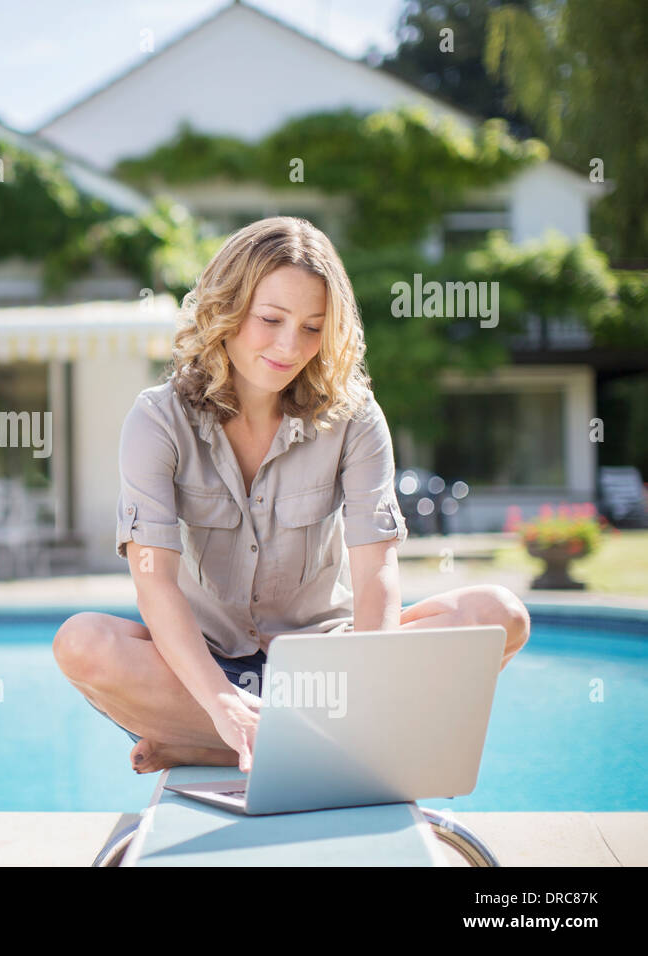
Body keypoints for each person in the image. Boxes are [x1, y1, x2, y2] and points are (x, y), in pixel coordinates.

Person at [52, 216, 530, 776]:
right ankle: (253, 732)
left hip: (333, 665)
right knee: (82, 642)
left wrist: (369, 681)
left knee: (500, 615)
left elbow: (377, 568)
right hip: (208, 668)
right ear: (225, 310)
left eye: (312, 327)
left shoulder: (354, 417)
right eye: (271, 319)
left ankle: (207, 745)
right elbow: (153, 581)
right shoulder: (157, 420)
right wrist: (221, 700)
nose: (290, 346)